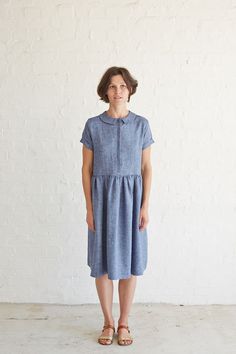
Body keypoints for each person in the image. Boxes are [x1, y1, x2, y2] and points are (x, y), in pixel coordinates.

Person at [80, 66, 155, 346]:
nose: (118, 91)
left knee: (130, 261)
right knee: (102, 263)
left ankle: (124, 322)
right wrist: (89, 208)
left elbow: (147, 167)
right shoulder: (93, 125)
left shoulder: (141, 125)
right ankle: (107, 322)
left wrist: (145, 206)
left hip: (132, 201)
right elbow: (86, 169)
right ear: (105, 91)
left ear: (130, 89)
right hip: (101, 201)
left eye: (122, 86)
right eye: (112, 86)